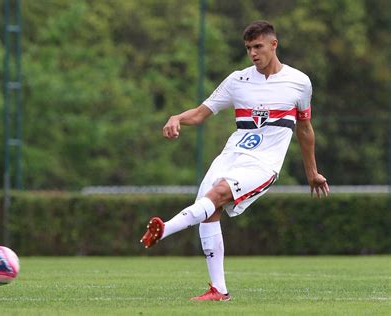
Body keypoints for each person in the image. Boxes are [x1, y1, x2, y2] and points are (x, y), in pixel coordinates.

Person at [140, 20, 329, 301]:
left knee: (215, 195)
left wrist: (312, 172)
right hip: (232, 154)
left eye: (258, 46)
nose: (253, 53)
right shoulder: (237, 80)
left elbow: (305, 129)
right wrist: (177, 117)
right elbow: (202, 113)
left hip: (264, 163)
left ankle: (164, 229)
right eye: (248, 48)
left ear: (273, 45)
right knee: (209, 208)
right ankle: (219, 290)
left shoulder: (299, 82)